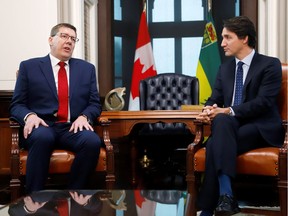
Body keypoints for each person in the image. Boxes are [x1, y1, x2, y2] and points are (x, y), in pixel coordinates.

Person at [196, 16, 285, 216]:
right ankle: (226, 198)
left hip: (261, 127)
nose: (222, 43)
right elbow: (214, 98)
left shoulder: (270, 65)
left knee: (212, 144)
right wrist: (207, 111)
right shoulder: (225, 68)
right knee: (220, 122)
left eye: (228, 37)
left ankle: (208, 208)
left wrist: (228, 111)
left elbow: (264, 102)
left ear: (244, 38)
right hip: (231, 126)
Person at [9, 23, 102, 193]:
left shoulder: (87, 69)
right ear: (51, 40)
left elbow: (95, 103)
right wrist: (29, 116)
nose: (69, 42)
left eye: (73, 39)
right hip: (42, 126)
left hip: (71, 127)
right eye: (64, 36)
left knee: (92, 141)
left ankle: (74, 195)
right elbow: (17, 104)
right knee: (43, 137)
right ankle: (34, 198)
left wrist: (85, 116)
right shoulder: (29, 67)